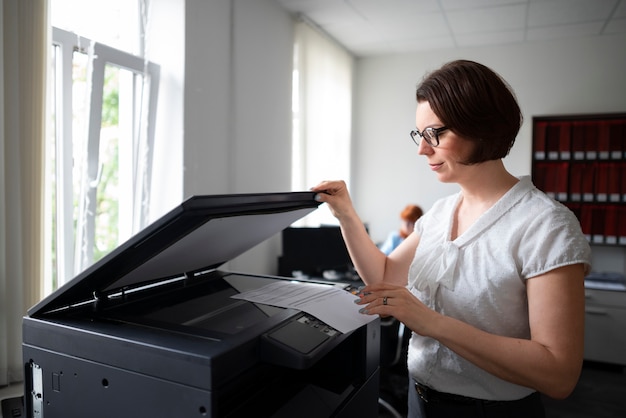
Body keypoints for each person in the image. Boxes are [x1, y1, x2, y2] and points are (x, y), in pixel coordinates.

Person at [311, 59, 591, 418]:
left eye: (435, 134)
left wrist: (432, 322)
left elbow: (559, 375)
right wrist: (346, 215)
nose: (422, 150)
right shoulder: (441, 213)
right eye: (419, 135)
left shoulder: (546, 225)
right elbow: (384, 278)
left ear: (481, 128)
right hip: (420, 398)